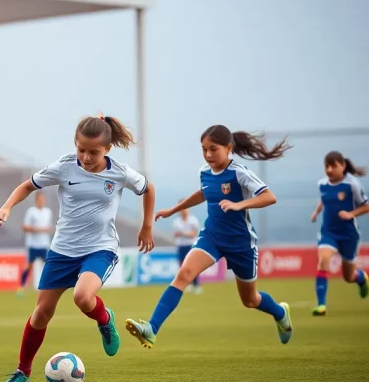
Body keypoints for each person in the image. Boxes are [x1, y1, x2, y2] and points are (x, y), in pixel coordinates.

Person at [0, 114, 155, 382]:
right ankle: (22, 372)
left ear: (107, 149)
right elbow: (27, 186)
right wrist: (6, 207)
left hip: (100, 248)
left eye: (94, 152)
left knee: (82, 297)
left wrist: (147, 227)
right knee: (42, 313)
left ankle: (105, 321)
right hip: (62, 250)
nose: (86, 157)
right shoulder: (65, 166)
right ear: (75, 144)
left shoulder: (119, 172)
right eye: (81, 149)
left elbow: (147, 188)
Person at [125, 125, 293, 349]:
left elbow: (269, 196)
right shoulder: (204, 171)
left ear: (229, 148)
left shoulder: (239, 172)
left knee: (250, 300)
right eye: (204, 149)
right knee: (184, 273)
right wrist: (173, 210)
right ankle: (151, 329)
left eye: (213, 149)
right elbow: (203, 193)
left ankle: (280, 313)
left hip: (241, 243)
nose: (208, 155)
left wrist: (239, 204)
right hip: (211, 237)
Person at [309, 151, 369, 316]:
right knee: (323, 260)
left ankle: (361, 278)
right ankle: (321, 305)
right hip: (328, 232)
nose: (329, 169)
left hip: (348, 235)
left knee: (348, 277)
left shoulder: (352, 185)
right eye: (326, 166)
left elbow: (366, 206)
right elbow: (324, 198)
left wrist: (351, 214)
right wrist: (316, 212)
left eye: (333, 166)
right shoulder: (322, 184)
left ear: (342, 166)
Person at [17, 192, 54, 296]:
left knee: (48, 266)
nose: (41, 201)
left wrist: (47, 229)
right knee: (29, 266)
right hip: (33, 244)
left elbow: (49, 227)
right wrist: (38, 229)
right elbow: (25, 227)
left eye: (43, 199)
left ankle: (51, 288)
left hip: (44, 244)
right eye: (40, 199)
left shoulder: (48, 212)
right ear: (36, 200)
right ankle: (21, 287)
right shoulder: (31, 212)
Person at [172, 206, 201, 294]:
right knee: (182, 267)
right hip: (181, 245)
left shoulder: (193, 220)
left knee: (192, 266)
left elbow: (194, 234)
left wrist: (183, 234)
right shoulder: (176, 222)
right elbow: (176, 234)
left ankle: (196, 285)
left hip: (191, 245)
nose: (182, 210)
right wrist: (181, 234)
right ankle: (187, 284)